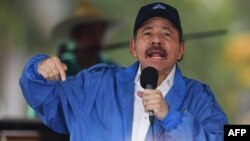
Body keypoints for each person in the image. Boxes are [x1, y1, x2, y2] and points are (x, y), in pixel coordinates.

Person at [20, 2, 228, 141]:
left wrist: (171, 118)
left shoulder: (200, 98)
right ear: (133, 47)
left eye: (166, 34)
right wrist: (38, 67)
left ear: (181, 49)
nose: (156, 40)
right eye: (147, 33)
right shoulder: (94, 85)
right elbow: (39, 95)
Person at [52, 0, 118, 76]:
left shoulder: (114, 71)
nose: (97, 38)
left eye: (100, 32)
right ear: (76, 35)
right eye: (90, 32)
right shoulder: (63, 67)